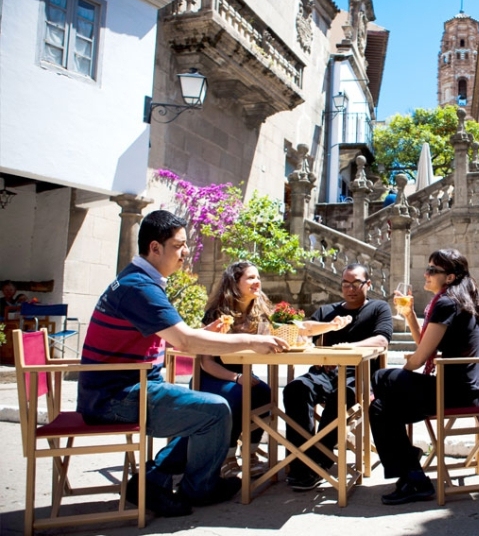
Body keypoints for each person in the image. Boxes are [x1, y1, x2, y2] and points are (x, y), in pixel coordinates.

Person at [76, 211, 288, 518]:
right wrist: (251, 342)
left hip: (130, 387)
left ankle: (152, 481)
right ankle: (198, 488)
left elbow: (174, 338)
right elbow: (185, 343)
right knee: (215, 410)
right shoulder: (140, 288)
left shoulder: (139, 281)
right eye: (180, 245)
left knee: (200, 407)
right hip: (115, 397)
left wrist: (200, 334)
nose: (186, 252)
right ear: (155, 248)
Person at [370, 248, 479, 505]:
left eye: (433, 270)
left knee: (381, 378)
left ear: (450, 277)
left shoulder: (447, 304)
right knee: (379, 407)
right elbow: (426, 345)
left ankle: (408, 462)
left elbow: (421, 357)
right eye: (428, 268)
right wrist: (410, 315)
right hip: (455, 388)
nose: (426, 274)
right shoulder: (452, 301)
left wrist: (399, 378)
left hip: (455, 393)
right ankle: (414, 475)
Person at [282, 263, 392, 491]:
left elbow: (382, 340)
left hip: (358, 377)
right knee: (295, 389)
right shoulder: (327, 312)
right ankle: (301, 461)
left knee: (339, 397)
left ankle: (317, 461)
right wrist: (329, 326)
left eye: (356, 283)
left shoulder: (379, 308)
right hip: (323, 373)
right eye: (346, 284)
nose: (350, 288)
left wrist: (347, 347)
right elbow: (303, 329)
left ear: (368, 284)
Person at [198, 261, 274, 479]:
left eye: (258, 277)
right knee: (238, 395)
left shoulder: (260, 312)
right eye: (250, 278)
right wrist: (237, 377)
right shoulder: (217, 314)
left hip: (242, 376)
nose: (257, 281)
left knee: (264, 392)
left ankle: (249, 454)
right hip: (214, 375)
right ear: (235, 283)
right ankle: (228, 458)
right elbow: (207, 362)